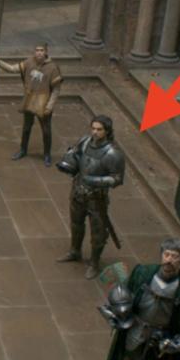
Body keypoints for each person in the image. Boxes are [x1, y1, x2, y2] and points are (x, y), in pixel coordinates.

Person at [56, 115, 125, 279]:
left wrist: (94, 180)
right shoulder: (86, 141)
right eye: (93, 128)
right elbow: (75, 154)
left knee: (98, 233)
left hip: (96, 198)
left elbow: (117, 179)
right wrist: (69, 161)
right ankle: (75, 251)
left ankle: (94, 262)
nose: (95, 132)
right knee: (76, 223)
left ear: (107, 131)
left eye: (99, 129)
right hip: (78, 191)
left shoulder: (113, 153)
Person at [0, 43, 63, 166]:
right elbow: (12, 69)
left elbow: (56, 90)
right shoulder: (29, 62)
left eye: (41, 50)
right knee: (26, 127)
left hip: (43, 101)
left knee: (46, 130)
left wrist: (50, 106)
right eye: (37, 50)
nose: (39, 52)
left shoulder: (52, 68)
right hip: (29, 99)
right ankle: (23, 149)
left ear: (46, 52)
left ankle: (47, 154)